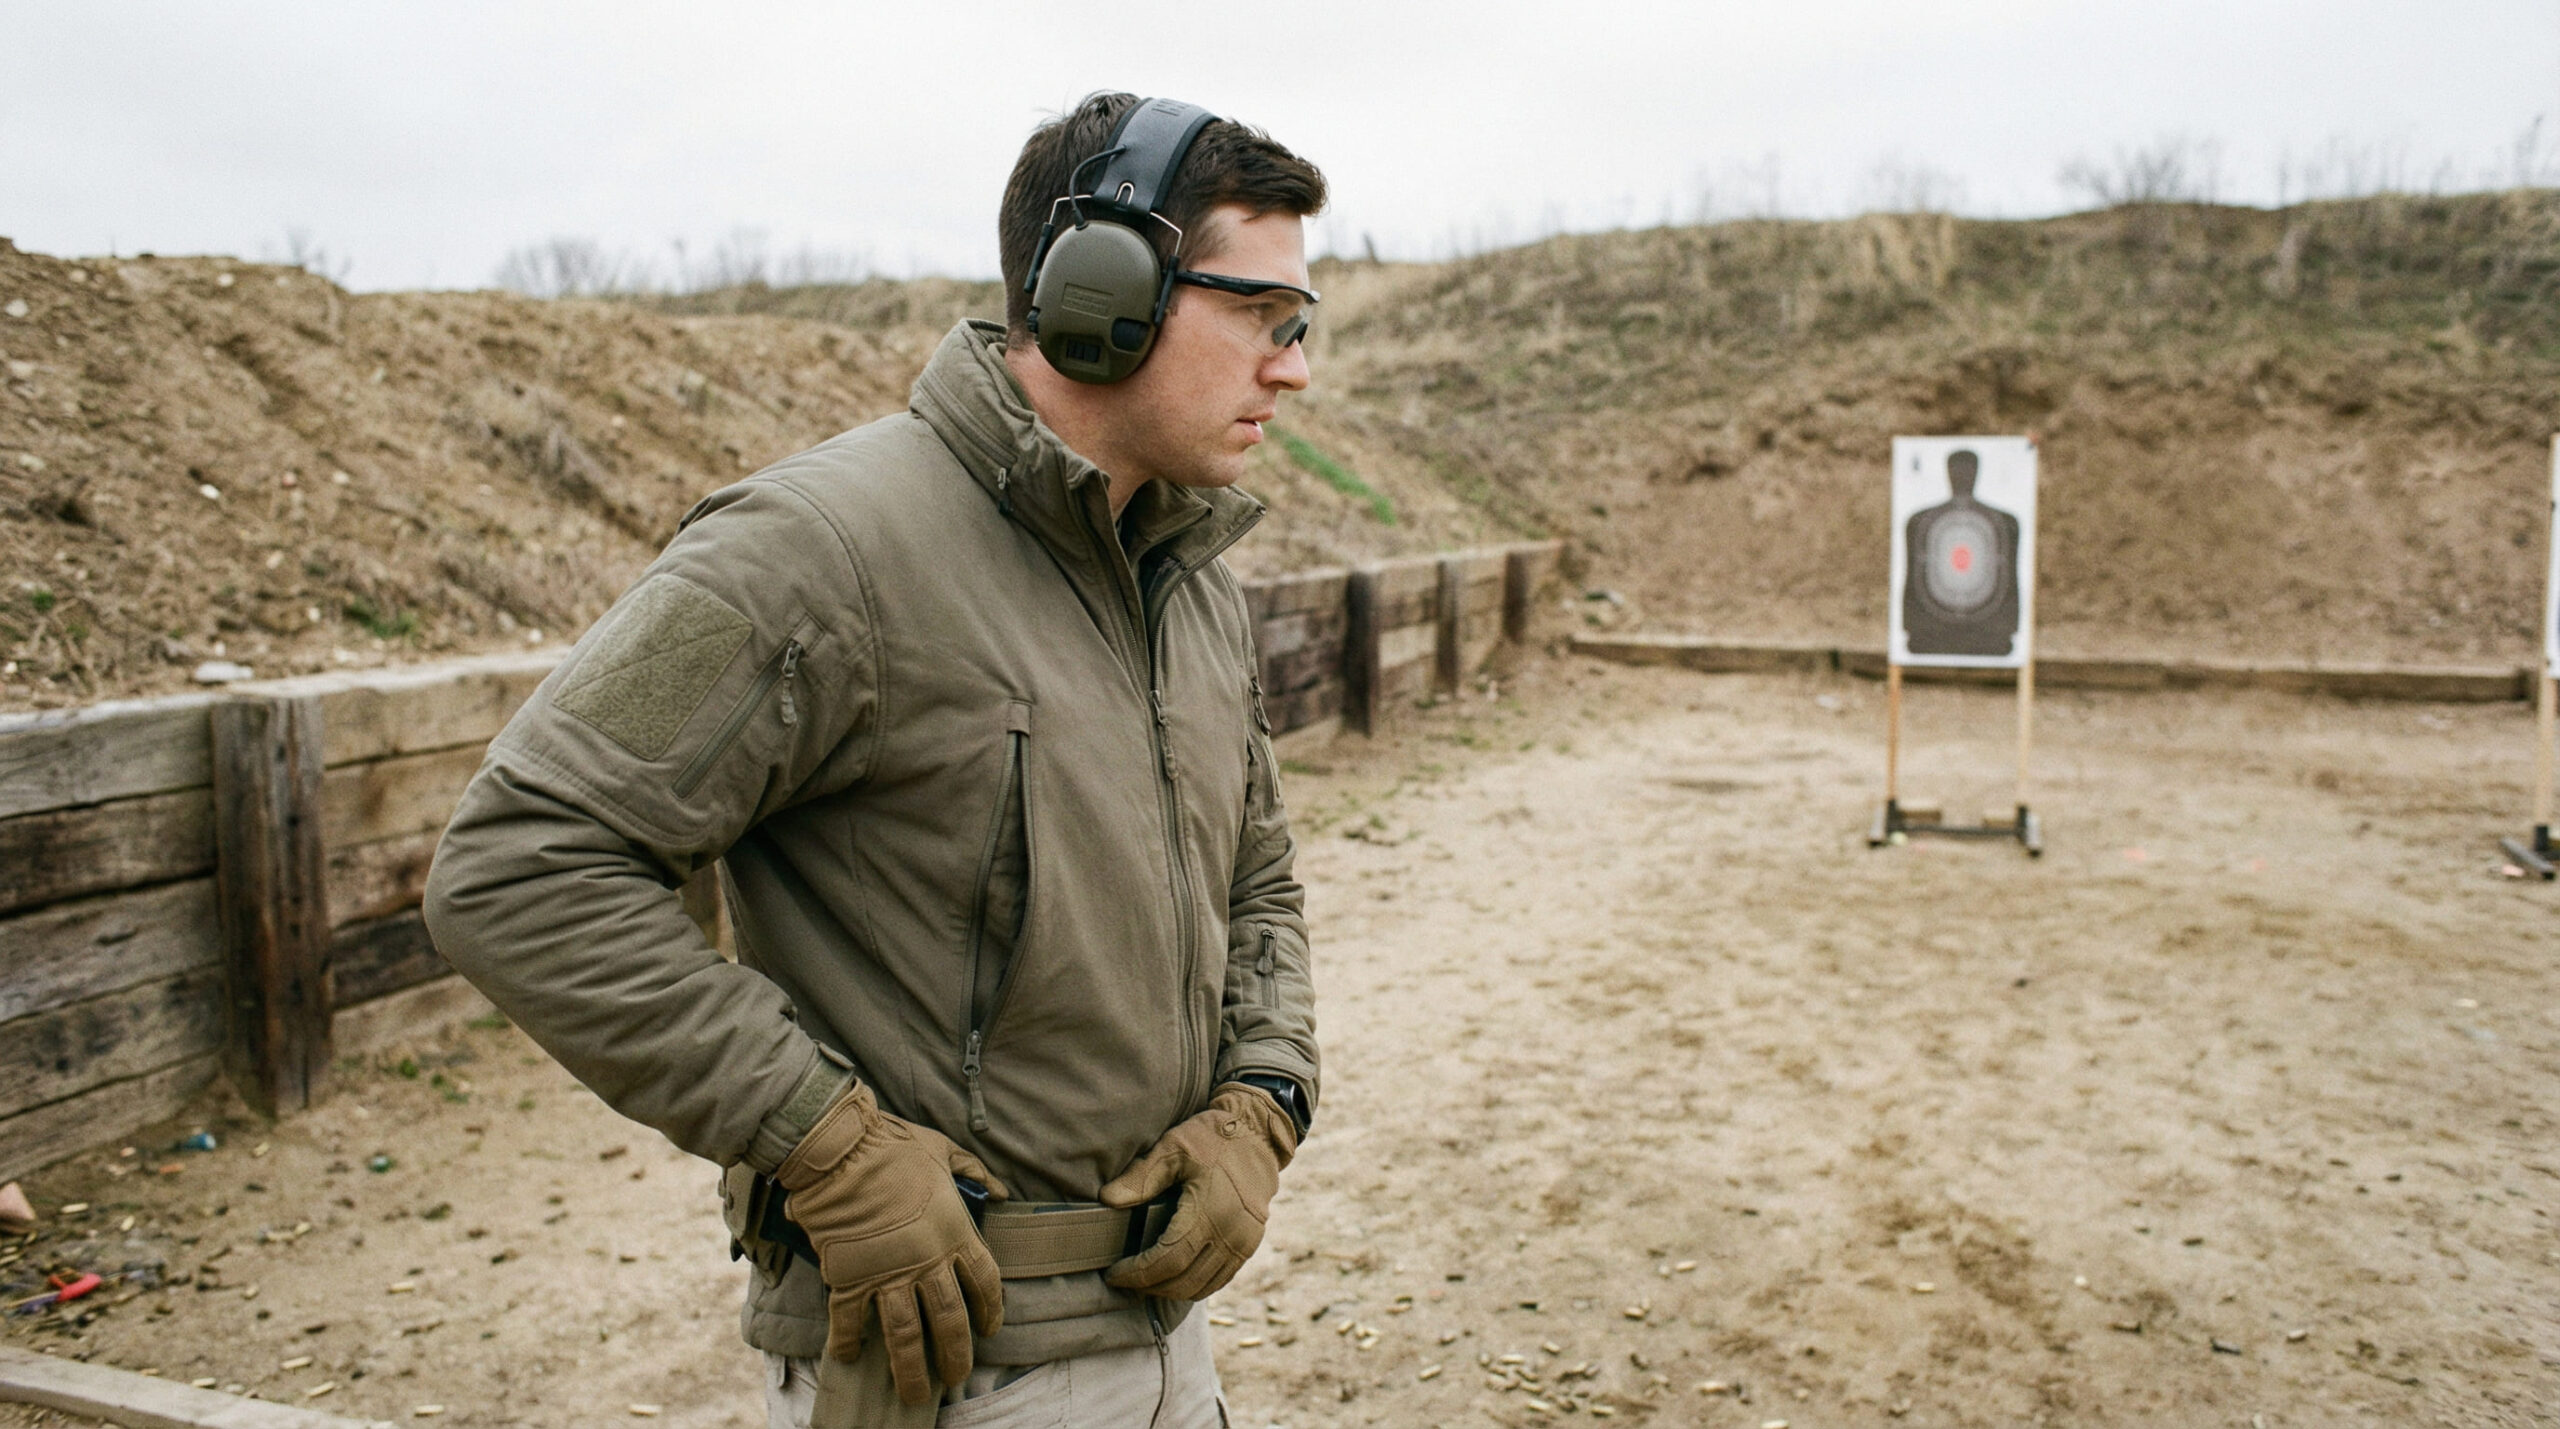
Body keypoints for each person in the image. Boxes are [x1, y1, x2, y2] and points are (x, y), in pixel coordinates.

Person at [422, 92, 1325, 1428]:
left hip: (1164, 1347)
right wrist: (824, 1141)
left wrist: (1265, 1096)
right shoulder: (810, 549)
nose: (1293, 366)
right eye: (1262, 315)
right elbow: (519, 863)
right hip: (944, 1370)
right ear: (1101, 291)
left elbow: (1256, 877)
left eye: (1299, 326)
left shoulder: (1179, 574)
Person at [1900, 447, 2022, 658]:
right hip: (1933, 631)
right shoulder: (1918, 522)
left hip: (1988, 633)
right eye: (1958, 470)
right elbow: (1915, 579)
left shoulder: (2006, 522)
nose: (1962, 477)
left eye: (1966, 470)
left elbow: (2007, 581)